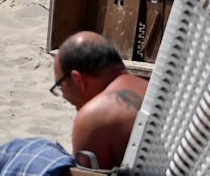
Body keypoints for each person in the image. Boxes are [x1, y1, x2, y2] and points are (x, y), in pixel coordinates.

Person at [50, 32, 149, 171]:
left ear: (77, 79)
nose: (64, 96)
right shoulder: (149, 90)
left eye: (60, 86)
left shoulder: (93, 117)